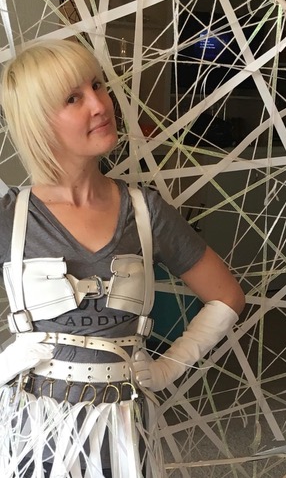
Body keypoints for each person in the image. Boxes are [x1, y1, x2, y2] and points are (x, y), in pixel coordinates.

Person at [0, 38, 245, 477]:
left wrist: (168, 368)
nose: (99, 105)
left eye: (97, 86)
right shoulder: (10, 217)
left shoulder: (145, 212)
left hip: (123, 430)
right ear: (38, 121)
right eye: (73, 98)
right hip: (32, 434)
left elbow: (226, 296)